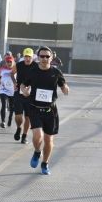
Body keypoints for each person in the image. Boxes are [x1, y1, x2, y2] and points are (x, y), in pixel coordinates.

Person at [20, 46, 69, 175]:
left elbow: (63, 85)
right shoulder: (32, 71)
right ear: (38, 57)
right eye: (42, 56)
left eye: (47, 56)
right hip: (35, 108)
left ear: (51, 58)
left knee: (48, 140)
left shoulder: (56, 72)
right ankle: (37, 151)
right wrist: (24, 90)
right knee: (37, 135)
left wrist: (65, 89)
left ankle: (45, 163)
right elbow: (23, 84)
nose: (44, 59)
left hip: (50, 111)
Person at [12, 47, 38, 144]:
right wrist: (14, 82)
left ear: (32, 57)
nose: (27, 59)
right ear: (23, 56)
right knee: (18, 116)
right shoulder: (18, 65)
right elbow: (12, 73)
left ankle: (24, 136)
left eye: (29, 57)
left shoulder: (36, 66)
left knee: (28, 117)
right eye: (26, 56)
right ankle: (19, 127)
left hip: (30, 95)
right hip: (19, 92)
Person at [0, 55, 16, 128]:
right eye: (7, 62)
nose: (9, 63)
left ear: (13, 62)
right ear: (5, 62)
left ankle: (10, 119)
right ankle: (3, 121)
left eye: (10, 62)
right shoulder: (1, 69)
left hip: (12, 91)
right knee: (4, 104)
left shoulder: (16, 70)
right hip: (3, 90)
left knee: (11, 107)